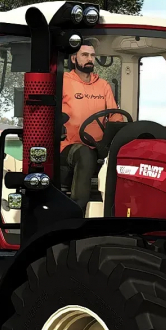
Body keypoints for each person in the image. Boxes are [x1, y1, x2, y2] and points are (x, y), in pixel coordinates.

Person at [60, 41, 121, 213]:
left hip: (98, 145)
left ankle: (117, 212)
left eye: (92, 56)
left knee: (124, 153)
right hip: (68, 146)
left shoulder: (103, 85)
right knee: (84, 154)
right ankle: (76, 211)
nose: (90, 59)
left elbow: (115, 116)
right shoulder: (64, 82)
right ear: (74, 58)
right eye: (85, 55)